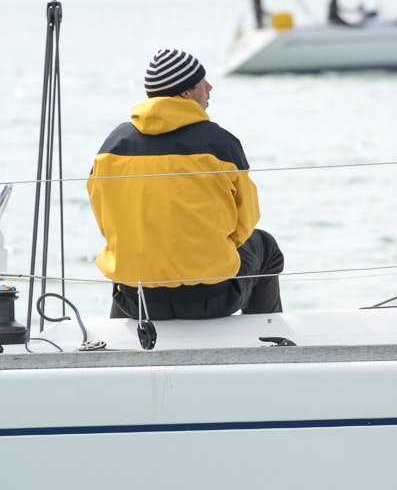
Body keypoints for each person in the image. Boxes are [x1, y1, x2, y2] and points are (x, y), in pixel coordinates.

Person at [87, 49, 284, 324]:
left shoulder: (112, 146)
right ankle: (268, 337)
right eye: (203, 82)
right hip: (211, 300)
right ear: (186, 93)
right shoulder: (219, 143)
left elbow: (107, 226)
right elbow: (246, 222)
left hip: (135, 301)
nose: (210, 87)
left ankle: (122, 337)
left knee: (131, 251)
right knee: (266, 246)